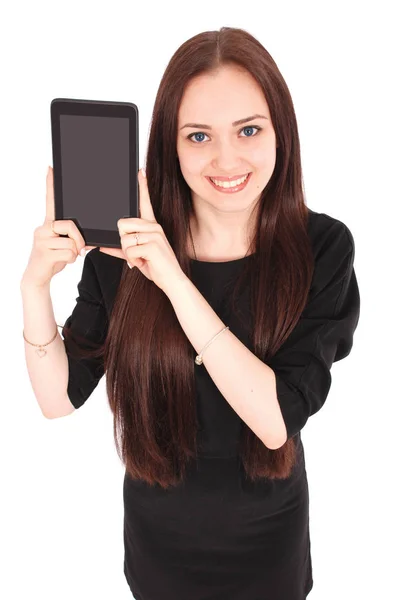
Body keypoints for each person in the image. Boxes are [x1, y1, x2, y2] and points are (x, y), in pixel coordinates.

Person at [21, 26, 360, 600]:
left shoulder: (322, 247)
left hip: (268, 547)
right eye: (199, 136)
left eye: (248, 130)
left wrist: (173, 280)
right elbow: (59, 399)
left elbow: (276, 419)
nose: (226, 160)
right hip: (158, 549)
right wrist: (33, 287)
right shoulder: (122, 248)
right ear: (169, 146)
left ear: (282, 133)